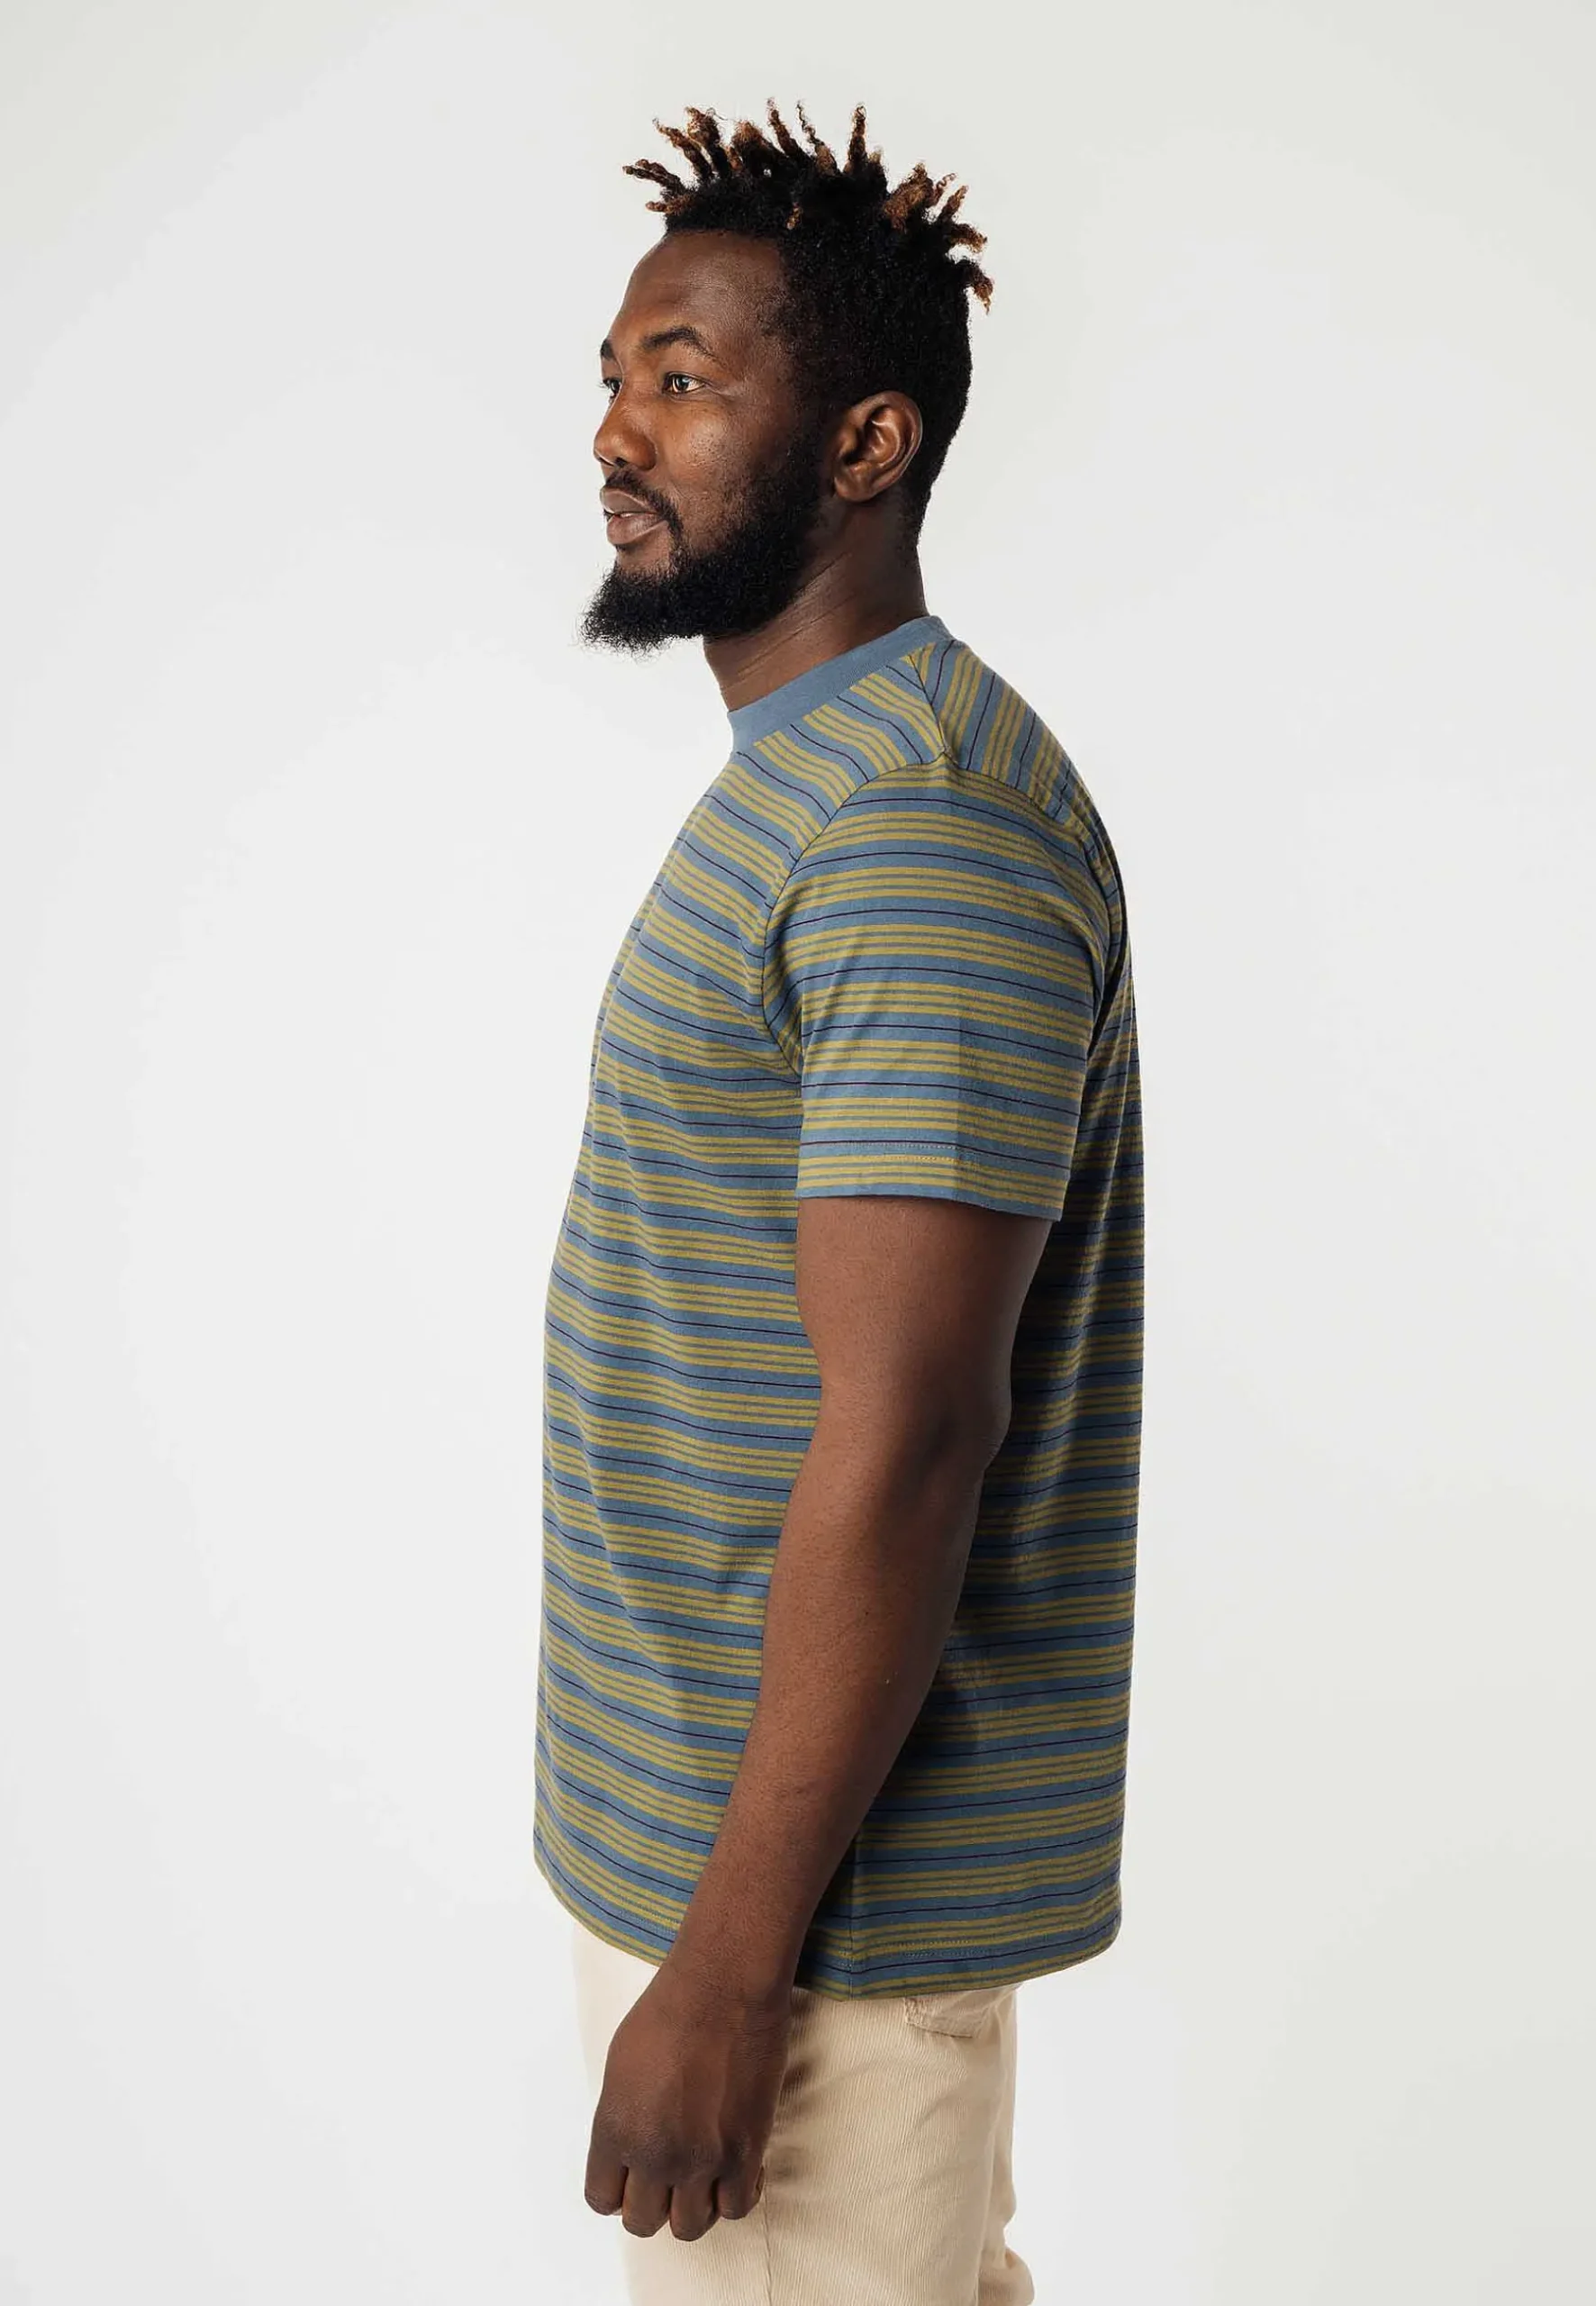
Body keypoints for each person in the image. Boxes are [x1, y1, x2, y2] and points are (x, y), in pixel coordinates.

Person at [534, 97, 1144, 2306]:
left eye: (687, 379)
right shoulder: (824, 779)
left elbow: (911, 1431)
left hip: (804, 1929)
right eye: (619, 374)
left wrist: (725, 1969)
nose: (619, 430)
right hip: (745, 1866)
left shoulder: (914, 828)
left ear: (867, 444)